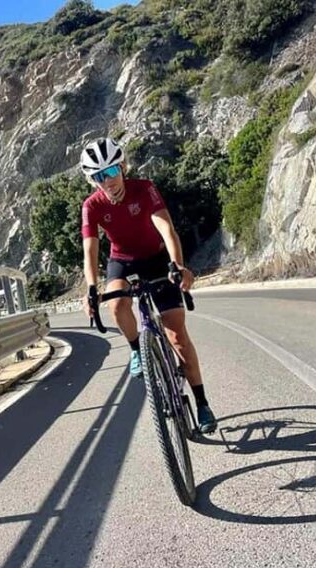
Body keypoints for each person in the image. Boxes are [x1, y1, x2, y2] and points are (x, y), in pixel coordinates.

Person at [79, 137, 217, 433]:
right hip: (123, 261)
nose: (109, 180)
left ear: (123, 166)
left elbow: (166, 227)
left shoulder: (144, 188)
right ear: (93, 180)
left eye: (112, 171)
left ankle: (202, 403)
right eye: (100, 176)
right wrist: (92, 288)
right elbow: (90, 250)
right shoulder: (91, 206)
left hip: (156, 258)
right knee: (116, 302)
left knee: (177, 335)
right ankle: (136, 350)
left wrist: (177, 264)